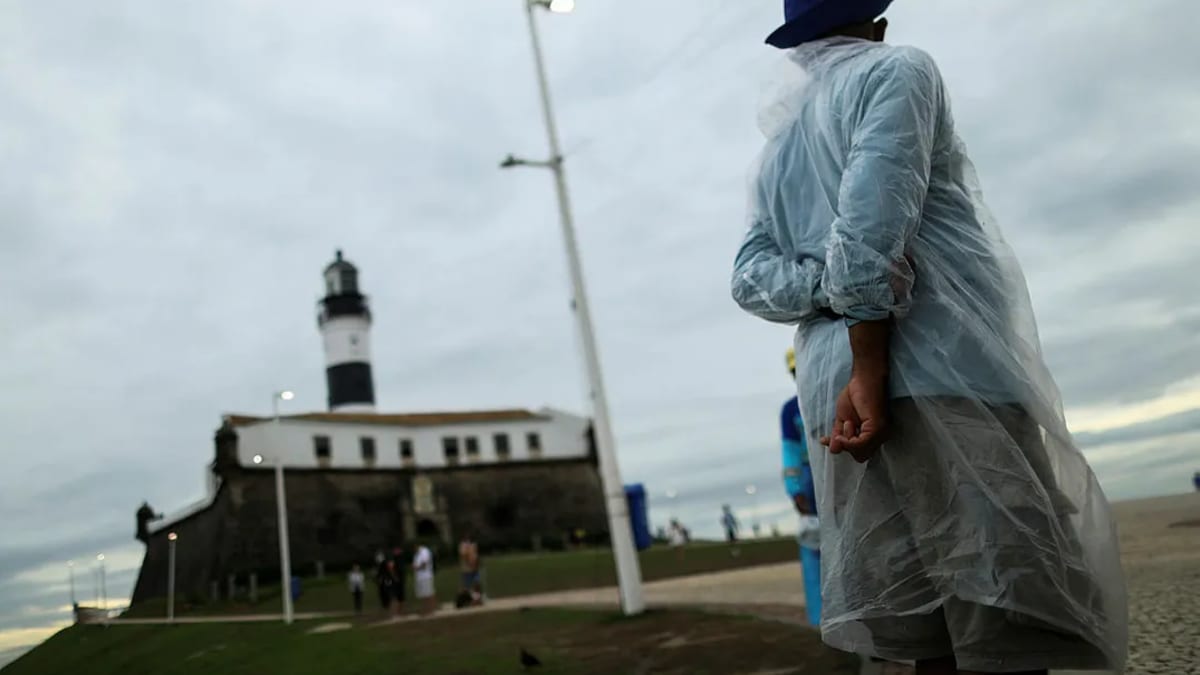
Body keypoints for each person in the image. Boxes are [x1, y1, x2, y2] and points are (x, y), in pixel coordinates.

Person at [730, 1, 1127, 672]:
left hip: (836, 402)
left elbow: (751, 277)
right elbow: (870, 233)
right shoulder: (897, 71)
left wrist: (825, 296)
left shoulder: (779, 152)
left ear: (799, 42)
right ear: (876, 23)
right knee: (1003, 613)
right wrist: (869, 366)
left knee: (920, 626)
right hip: (939, 373)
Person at [782, 347, 822, 628]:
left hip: (843, 472)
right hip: (811, 482)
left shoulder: (835, 391)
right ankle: (822, 619)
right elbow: (790, 453)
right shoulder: (790, 410)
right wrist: (795, 489)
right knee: (815, 549)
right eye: (795, 371)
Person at [412, 543, 437, 616]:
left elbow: (424, 564)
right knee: (423, 594)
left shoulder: (425, 551)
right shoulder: (416, 554)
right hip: (419, 577)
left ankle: (431, 610)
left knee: (429, 593)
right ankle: (426, 609)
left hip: (426, 576)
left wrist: (416, 568)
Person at [458, 533, 482, 599]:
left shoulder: (474, 544)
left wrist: (477, 562)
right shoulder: (462, 545)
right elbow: (464, 555)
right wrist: (470, 562)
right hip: (467, 569)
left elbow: (476, 554)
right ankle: (465, 598)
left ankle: (477, 598)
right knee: (467, 586)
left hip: (475, 568)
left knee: (477, 583)